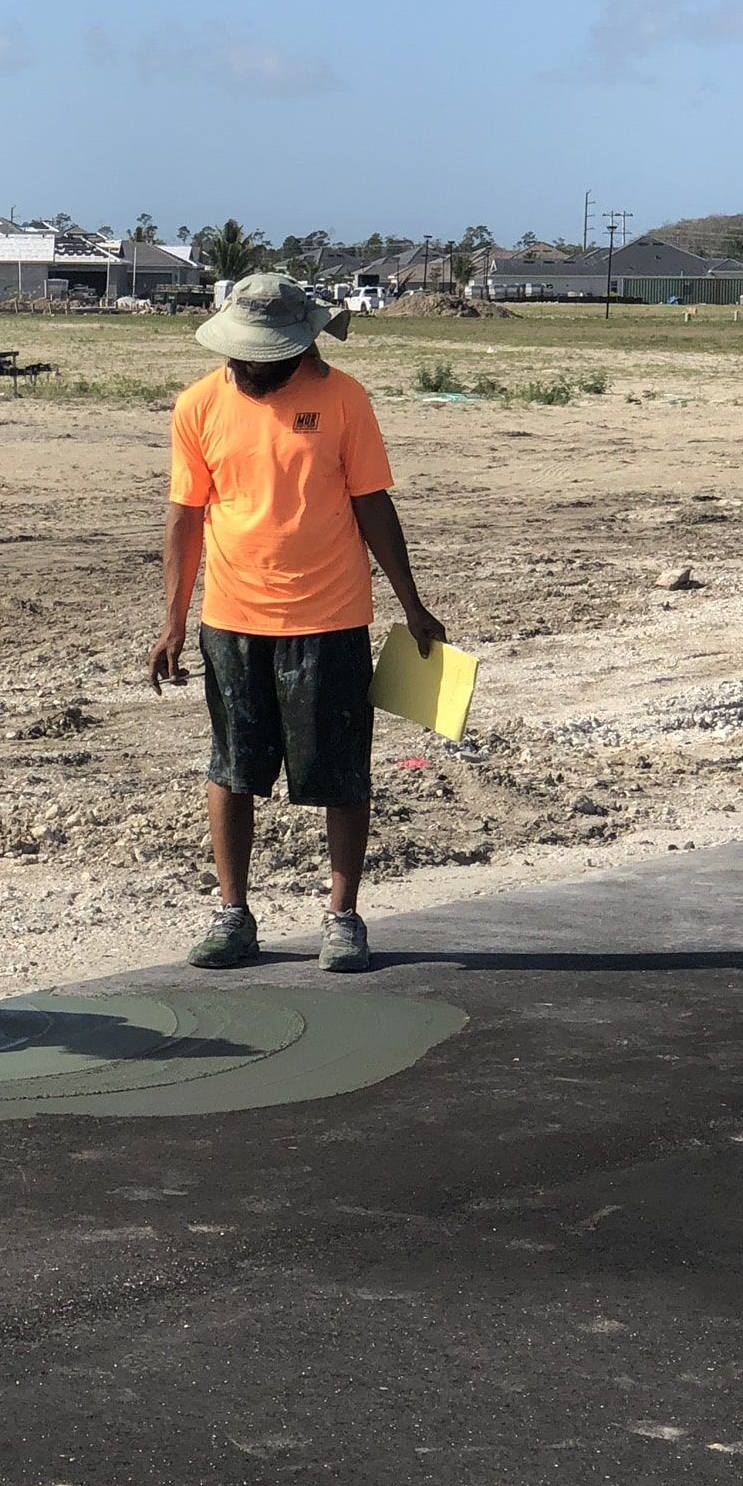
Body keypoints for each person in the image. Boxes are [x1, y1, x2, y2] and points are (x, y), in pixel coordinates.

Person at [148, 273, 445, 974]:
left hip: (332, 615)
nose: (250, 368)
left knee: (340, 772)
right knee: (232, 768)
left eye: (265, 356)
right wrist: (171, 622)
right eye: (242, 355)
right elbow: (185, 519)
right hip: (231, 618)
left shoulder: (345, 400)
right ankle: (233, 914)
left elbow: (373, 506)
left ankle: (342, 918)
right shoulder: (198, 405)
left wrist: (412, 602)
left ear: (298, 345)